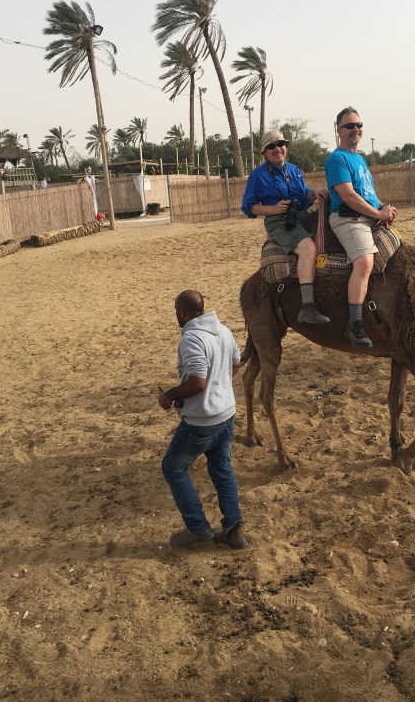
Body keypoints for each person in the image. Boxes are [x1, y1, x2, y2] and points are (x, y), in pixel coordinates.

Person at [158, 289, 248, 550]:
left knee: (173, 468)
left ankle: (197, 528)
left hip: (201, 421)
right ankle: (233, 530)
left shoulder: (192, 338)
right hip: (227, 414)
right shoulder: (223, 330)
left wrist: (169, 396)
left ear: (182, 312)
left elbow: (198, 381)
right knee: (222, 468)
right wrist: (221, 386)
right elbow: (236, 362)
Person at [324, 107, 396, 349]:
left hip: (367, 216)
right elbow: (348, 195)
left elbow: (367, 194)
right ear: (339, 131)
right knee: (365, 262)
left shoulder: (360, 159)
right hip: (349, 219)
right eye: (350, 126)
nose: (355, 129)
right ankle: (354, 323)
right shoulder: (337, 159)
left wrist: (383, 208)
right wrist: (377, 214)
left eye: (358, 125)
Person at [242, 129, 330, 325]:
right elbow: (248, 207)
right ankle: (307, 307)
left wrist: (315, 193)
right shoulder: (258, 175)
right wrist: (273, 209)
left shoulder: (294, 170)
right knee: (308, 249)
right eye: (271, 146)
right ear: (265, 152)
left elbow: (303, 195)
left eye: (280, 144)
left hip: (300, 216)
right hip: (279, 221)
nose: (277, 149)